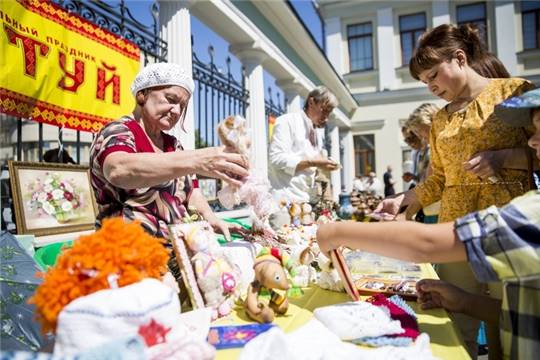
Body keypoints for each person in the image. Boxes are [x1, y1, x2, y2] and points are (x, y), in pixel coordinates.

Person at [317, 86, 540, 360]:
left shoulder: (533, 211)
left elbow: (426, 244)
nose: (531, 142)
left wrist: (338, 231)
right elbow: (525, 312)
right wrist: (466, 302)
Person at [374, 24, 538, 358]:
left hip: (506, 228)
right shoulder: (438, 120)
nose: (431, 87)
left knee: (511, 326)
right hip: (454, 230)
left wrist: (503, 158)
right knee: (454, 320)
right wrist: (402, 200)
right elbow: (439, 180)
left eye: (434, 75)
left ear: (459, 58)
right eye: (425, 82)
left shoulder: (514, 92)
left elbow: (539, 156)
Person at [89, 63, 249, 241]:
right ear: (143, 94)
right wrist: (197, 159)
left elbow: (191, 192)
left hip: (175, 246)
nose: (177, 111)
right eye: (171, 99)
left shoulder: (173, 144)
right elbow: (118, 169)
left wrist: (212, 219)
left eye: (183, 105)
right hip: (127, 249)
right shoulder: (119, 131)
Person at [268, 86, 340, 204]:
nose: (326, 118)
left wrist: (322, 164)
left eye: (329, 113)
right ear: (311, 102)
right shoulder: (287, 121)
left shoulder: (316, 132)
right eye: (325, 110)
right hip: (284, 202)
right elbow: (276, 160)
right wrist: (314, 162)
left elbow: (311, 166)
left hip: (306, 202)